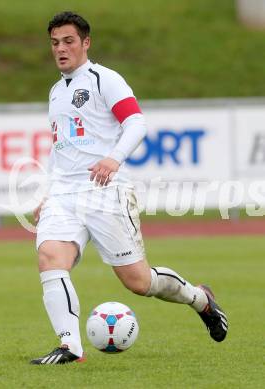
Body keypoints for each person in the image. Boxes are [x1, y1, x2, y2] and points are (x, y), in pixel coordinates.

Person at [30, 11, 228, 365]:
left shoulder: (104, 79)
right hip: (64, 194)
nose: (61, 49)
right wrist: (48, 190)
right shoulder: (56, 91)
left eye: (68, 41)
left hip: (105, 191)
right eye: (55, 42)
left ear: (85, 43)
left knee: (139, 282)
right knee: (50, 259)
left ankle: (200, 299)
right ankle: (70, 348)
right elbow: (58, 145)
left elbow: (136, 121)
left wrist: (114, 158)